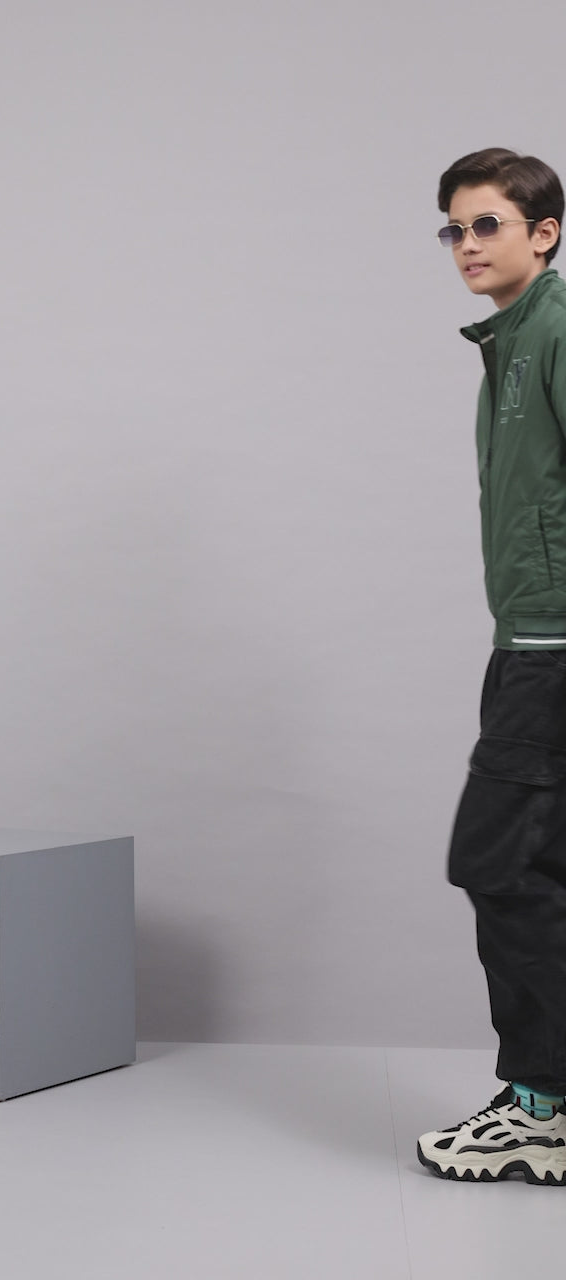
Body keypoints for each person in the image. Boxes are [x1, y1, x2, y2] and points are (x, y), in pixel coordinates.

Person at [417, 148, 566, 1185]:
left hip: (553, 648)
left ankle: (542, 1110)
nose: (466, 245)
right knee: (541, 868)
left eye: (487, 225)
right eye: (454, 229)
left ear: (543, 233)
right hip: (530, 639)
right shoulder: (512, 339)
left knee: (501, 863)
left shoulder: (554, 331)